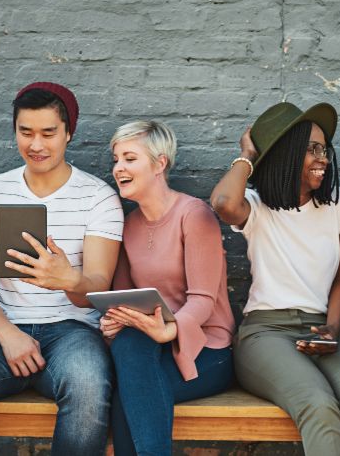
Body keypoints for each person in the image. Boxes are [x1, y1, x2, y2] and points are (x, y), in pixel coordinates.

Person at [0, 82, 123, 455]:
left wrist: (70, 279)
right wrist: (7, 334)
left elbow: (97, 288)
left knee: (88, 384)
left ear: (68, 133)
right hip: (2, 326)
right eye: (26, 132)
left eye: (49, 133)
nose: (36, 145)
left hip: (72, 332)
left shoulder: (98, 197)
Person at [210, 102, 340, 456]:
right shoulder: (257, 206)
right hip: (265, 334)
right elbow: (223, 202)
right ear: (287, 154)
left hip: (322, 328)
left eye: (324, 149)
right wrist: (247, 154)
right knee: (318, 403)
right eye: (311, 150)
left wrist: (333, 330)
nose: (322, 158)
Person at [101, 121, 235, 456]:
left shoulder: (194, 215)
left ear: (160, 163)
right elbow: (123, 299)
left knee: (129, 395)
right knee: (130, 345)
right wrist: (114, 321)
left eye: (129, 158)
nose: (119, 168)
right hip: (148, 349)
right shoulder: (127, 224)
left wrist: (169, 330)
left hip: (207, 349)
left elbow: (203, 301)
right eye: (116, 159)